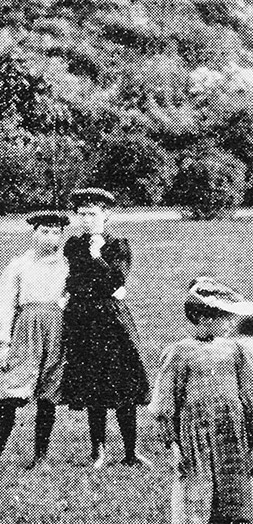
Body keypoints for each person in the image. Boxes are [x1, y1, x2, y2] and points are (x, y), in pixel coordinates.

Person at [152, 280, 253, 524]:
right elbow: (166, 404)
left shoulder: (236, 351)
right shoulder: (180, 352)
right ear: (202, 317)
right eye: (223, 317)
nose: (230, 324)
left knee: (223, 505)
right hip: (194, 440)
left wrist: (252, 444)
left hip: (230, 438)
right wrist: (173, 445)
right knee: (191, 506)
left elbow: (250, 398)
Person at [60, 188, 151, 469]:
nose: (86, 219)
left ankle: (131, 451)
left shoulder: (118, 246)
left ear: (106, 215)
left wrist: (98, 256)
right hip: (84, 321)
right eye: (82, 214)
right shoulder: (73, 245)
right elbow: (75, 281)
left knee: (123, 384)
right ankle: (97, 450)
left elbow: (115, 282)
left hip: (112, 321)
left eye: (93, 214)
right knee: (92, 386)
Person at [0, 210, 69, 464]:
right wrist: (3, 344)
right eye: (45, 232)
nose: (50, 238)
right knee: (11, 392)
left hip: (56, 330)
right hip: (26, 330)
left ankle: (40, 456)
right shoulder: (19, 265)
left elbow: (74, 294)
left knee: (48, 392)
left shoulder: (66, 264)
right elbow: (5, 305)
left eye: (56, 233)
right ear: (34, 233)